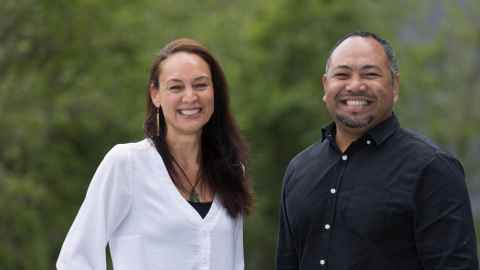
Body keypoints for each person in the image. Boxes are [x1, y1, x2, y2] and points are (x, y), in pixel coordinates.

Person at [276, 31, 478, 270]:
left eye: (370, 74)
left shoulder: (432, 168)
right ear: (325, 85)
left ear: (395, 86)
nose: (355, 85)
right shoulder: (299, 169)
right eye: (342, 74)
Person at [56, 38, 253, 270]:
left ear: (215, 92)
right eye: (176, 87)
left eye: (200, 85)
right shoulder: (126, 164)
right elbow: (75, 259)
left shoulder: (231, 169)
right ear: (155, 94)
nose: (190, 97)